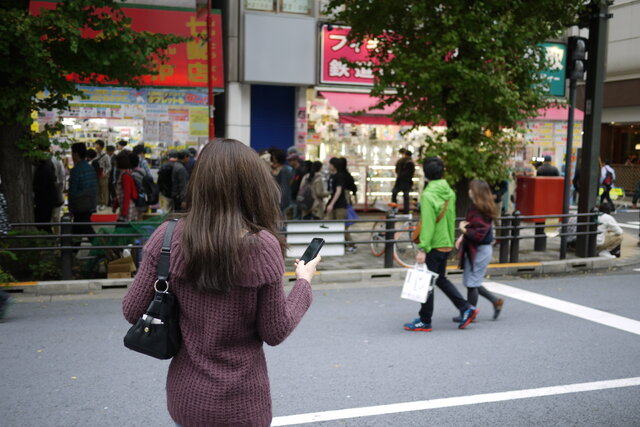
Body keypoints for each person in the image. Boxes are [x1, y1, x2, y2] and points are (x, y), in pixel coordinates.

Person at [122, 139, 320, 427]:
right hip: (243, 404)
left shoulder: (167, 237)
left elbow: (132, 311)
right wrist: (303, 283)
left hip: (186, 397)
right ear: (253, 185)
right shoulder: (263, 246)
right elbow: (275, 331)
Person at [404, 157, 478, 331]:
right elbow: (451, 218)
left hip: (433, 245)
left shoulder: (429, 195)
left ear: (426, 174)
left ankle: (425, 320)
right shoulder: (450, 192)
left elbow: (428, 225)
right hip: (445, 242)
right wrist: (451, 239)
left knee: (427, 282)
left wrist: (423, 248)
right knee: (441, 279)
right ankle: (466, 307)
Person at [455, 179, 504, 321]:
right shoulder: (478, 207)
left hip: (480, 250)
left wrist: (463, 230)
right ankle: (495, 302)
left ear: (476, 192)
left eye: (471, 189)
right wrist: (462, 236)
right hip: (475, 249)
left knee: (471, 283)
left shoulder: (481, 210)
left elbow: (478, 234)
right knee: (472, 282)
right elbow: (474, 228)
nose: (469, 191)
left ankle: (470, 315)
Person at [68, 142, 97, 243]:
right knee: (79, 230)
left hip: (79, 206)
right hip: (89, 204)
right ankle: (72, 253)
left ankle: (101, 249)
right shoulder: (91, 168)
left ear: (75, 154)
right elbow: (94, 188)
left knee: (84, 230)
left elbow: (72, 192)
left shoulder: (76, 170)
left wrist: (70, 208)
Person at [325, 157, 355, 252]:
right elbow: (332, 191)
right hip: (334, 204)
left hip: (340, 205)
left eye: (330, 164)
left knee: (341, 226)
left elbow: (338, 191)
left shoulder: (339, 176)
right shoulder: (332, 176)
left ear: (333, 165)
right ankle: (338, 245)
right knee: (332, 225)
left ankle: (351, 245)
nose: (328, 165)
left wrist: (331, 204)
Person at [33, 147, 61, 233]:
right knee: (46, 223)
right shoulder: (49, 163)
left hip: (44, 201)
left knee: (43, 224)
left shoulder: (44, 167)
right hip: (49, 200)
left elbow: (43, 187)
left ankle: (49, 242)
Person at [112, 152, 138, 223]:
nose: (115, 163)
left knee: (122, 230)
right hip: (126, 207)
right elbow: (121, 193)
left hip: (127, 208)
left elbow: (127, 194)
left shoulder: (125, 176)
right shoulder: (124, 174)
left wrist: (124, 211)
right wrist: (115, 206)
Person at [270, 148, 293, 217]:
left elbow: (284, 187)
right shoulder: (279, 169)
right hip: (277, 200)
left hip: (281, 202)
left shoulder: (284, 170)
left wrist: (281, 204)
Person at [392, 149, 415, 213]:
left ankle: (394, 208)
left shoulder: (400, 161)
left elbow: (396, 170)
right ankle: (406, 210)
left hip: (399, 180)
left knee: (394, 193)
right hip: (407, 181)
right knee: (406, 196)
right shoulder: (411, 162)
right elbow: (412, 172)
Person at [93, 140, 112, 208]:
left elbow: (109, 166)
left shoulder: (106, 156)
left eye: (96, 144)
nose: (95, 146)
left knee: (104, 190)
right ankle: (99, 203)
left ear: (100, 146)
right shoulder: (95, 154)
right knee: (98, 189)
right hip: (96, 174)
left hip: (103, 175)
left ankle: (104, 203)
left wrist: (105, 173)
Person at [288, 154, 306, 219]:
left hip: (298, 196)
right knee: (293, 213)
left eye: (290, 160)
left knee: (296, 215)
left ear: (295, 161)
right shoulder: (293, 170)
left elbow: (300, 183)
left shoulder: (301, 170)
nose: (289, 162)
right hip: (293, 195)